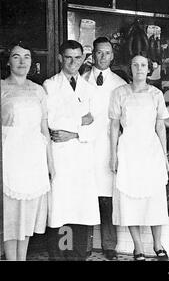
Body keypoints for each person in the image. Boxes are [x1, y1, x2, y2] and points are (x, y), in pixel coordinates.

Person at [109, 55, 169, 261]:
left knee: (154, 198)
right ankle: (138, 247)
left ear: (149, 69)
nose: (139, 69)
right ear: (130, 69)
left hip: (151, 151)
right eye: (135, 65)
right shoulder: (119, 93)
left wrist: (164, 155)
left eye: (143, 65)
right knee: (129, 199)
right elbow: (114, 126)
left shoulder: (156, 94)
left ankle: (157, 244)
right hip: (128, 151)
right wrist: (113, 155)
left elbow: (160, 126)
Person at [43, 40, 100, 261]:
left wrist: (75, 133)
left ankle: (77, 257)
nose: (73, 62)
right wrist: (81, 120)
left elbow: (96, 126)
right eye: (68, 57)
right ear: (60, 58)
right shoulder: (50, 85)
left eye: (78, 58)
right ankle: (58, 257)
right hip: (61, 156)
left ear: (83, 59)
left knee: (80, 210)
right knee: (60, 209)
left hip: (82, 156)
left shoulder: (89, 88)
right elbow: (53, 120)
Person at [1, 42, 54, 261]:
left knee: (28, 213)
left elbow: (44, 128)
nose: (22, 62)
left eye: (26, 57)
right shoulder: (1, 87)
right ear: (8, 61)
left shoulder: (38, 90)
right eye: (16, 57)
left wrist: (50, 162)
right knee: (11, 214)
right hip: (10, 157)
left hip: (33, 159)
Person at [82, 37, 126, 260]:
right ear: (93, 55)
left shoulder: (120, 84)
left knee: (107, 198)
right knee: (87, 195)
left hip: (109, 146)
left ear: (112, 55)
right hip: (87, 144)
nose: (103, 57)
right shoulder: (81, 80)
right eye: (99, 53)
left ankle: (109, 245)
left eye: (107, 53)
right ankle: (85, 244)